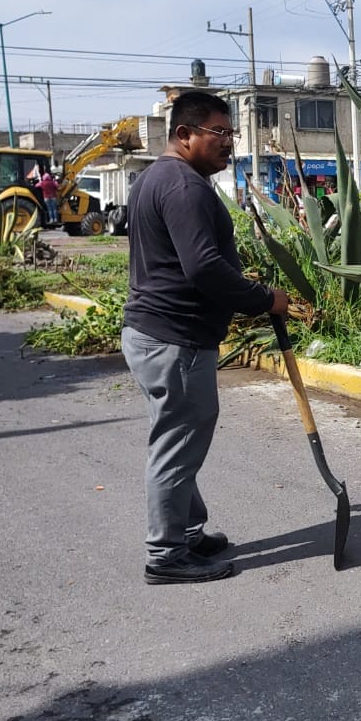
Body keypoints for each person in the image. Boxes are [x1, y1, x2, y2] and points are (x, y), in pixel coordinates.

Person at [121, 91, 289, 585]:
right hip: (175, 338)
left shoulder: (157, 177)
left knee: (179, 437)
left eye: (230, 134)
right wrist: (264, 298)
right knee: (177, 444)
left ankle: (188, 531)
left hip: (157, 335)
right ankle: (166, 554)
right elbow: (203, 267)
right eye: (219, 133)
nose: (228, 144)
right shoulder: (184, 187)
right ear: (184, 134)